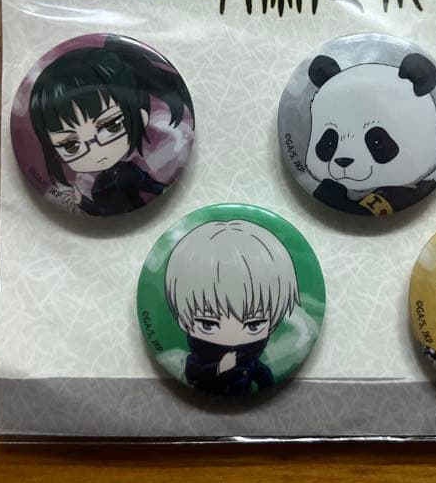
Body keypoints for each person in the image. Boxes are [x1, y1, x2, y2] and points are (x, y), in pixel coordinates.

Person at [29, 36, 192, 216]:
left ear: (141, 117)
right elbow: (101, 211)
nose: (95, 149)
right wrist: (82, 202)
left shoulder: (130, 172)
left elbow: (153, 187)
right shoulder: (98, 184)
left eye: (111, 125)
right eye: (71, 145)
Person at [165, 220, 299, 395]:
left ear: (272, 325)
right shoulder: (197, 361)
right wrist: (219, 369)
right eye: (208, 324)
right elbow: (194, 376)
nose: (231, 338)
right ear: (184, 322)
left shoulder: (249, 360)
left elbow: (263, 375)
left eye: (253, 325)